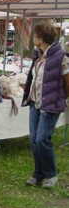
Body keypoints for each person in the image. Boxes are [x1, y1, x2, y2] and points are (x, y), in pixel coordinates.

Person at [22, 23, 69, 188]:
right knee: (34, 140)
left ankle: (51, 174)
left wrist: (62, 98)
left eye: (35, 35)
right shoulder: (38, 55)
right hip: (35, 103)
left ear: (41, 38)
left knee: (42, 139)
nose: (33, 38)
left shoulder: (61, 57)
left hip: (51, 104)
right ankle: (38, 173)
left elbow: (67, 82)